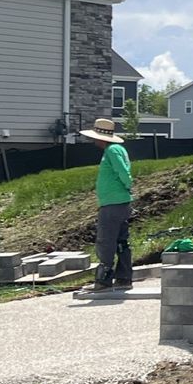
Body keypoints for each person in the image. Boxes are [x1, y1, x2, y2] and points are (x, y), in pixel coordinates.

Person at [79, 117, 134, 293]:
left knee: (106, 240)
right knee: (120, 241)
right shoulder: (116, 149)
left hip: (113, 203)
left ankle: (104, 280)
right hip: (119, 202)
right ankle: (124, 278)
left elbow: (123, 172)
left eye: (95, 136)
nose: (93, 140)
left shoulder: (112, 151)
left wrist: (127, 185)